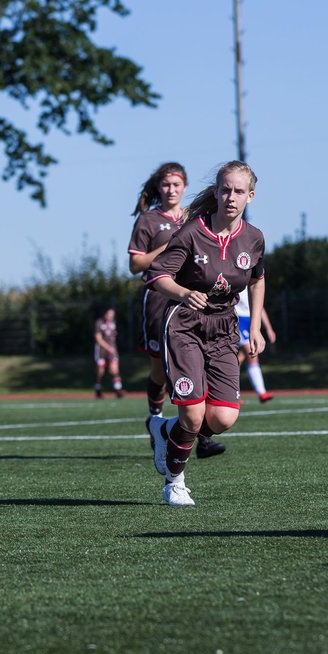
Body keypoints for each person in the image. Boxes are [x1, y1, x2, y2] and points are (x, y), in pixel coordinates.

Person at [145, 160, 267, 506]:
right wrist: (183, 293)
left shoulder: (254, 238)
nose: (231, 197)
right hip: (184, 324)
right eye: (225, 189)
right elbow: (156, 276)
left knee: (223, 417)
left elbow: (257, 279)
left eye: (239, 191)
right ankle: (174, 481)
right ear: (216, 192)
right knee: (194, 414)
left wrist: (254, 327)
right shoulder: (192, 232)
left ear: (250, 196)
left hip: (224, 328)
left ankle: (164, 430)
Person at [126, 162, 225, 458]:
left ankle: (202, 437)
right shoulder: (148, 221)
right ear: (159, 188)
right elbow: (135, 266)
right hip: (159, 298)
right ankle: (155, 417)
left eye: (177, 185)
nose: (171, 190)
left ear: (185, 187)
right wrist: (168, 245)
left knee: (202, 362)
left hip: (192, 299)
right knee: (160, 366)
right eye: (166, 185)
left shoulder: (194, 217)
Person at [235, 286, 277, 402]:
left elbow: (259, 307)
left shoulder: (252, 279)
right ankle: (261, 392)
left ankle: (231, 393)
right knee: (252, 353)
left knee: (239, 358)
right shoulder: (236, 275)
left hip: (251, 320)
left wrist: (269, 328)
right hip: (238, 319)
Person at [93, 307, 124, 398]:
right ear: (105, 314)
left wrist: (112, 347)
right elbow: (98, 339)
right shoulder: (99, 323)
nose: (110, 316)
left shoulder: (113, 323)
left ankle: (118, 390)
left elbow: (113, 336)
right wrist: (109, 348)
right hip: (101, 351)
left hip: (112, 350)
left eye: (112, 315)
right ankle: (98, 389)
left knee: (114, 370)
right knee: (100, 372)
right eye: (109, 314)